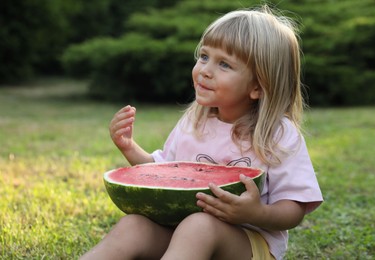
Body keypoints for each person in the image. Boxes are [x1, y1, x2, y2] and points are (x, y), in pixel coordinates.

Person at [81, 5, 323, 260]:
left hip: (249, 245)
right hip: (181, 235)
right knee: (133, 225)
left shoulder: (279, 134)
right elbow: (163, 174)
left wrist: (255, 214)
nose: (205, 70)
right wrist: (129, 147)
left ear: (257, 87)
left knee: (199, 226)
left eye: (224, 65)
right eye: (204, 56)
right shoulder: (193, 122)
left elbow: (294, 207)